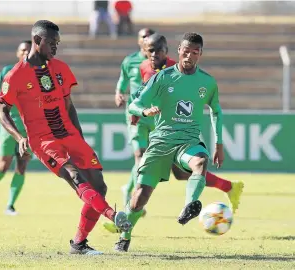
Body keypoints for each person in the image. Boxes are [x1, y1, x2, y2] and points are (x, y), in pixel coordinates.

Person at [0, 20, 131, 255]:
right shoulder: (15, 75)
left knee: (99, 185)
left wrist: (79, 138)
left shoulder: (60, 68)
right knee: (74, 175)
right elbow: (2, 111)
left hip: (69, 134)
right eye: (51, 43)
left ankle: (78, 244)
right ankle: (112, 215)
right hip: (43, 141)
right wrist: (19, 137)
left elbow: (69, 106)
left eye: (58, 43)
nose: (56, 47)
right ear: (37, 41)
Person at [103, 33, 243, 234]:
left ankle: (189, 205)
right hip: (159, 137)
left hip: (187, 141)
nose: (189, 56)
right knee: (143, 195)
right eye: (186, 51)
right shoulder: (159, 75)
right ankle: (125, 232)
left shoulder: (207, 82)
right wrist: (141, 111)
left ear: (200, 54)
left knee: (200, 162)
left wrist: (219, 145)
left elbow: (216, 111)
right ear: (179, 51)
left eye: (194, 52)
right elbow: (136, 101)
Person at [0, 41, 32, 216]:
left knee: (22, 164)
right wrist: (7, 97)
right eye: (23, 50)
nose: (26, 53)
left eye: (28, 50)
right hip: (9, 123)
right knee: (4, 164)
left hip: (30, 127)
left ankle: (10, 205)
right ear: (18, 53)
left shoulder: (38, 73)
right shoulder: (8, 71)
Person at [114, 27, 155, 210]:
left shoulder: (160, 63)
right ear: (139, 40)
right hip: (135, 115)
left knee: (147, 158)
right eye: (143, 37)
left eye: (149, 37)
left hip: (155, 116)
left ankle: (129, 188)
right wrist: (119, 94)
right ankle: (134, 199)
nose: (146, 40)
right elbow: (122, 82)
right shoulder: (130, 61)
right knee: (140, 155)